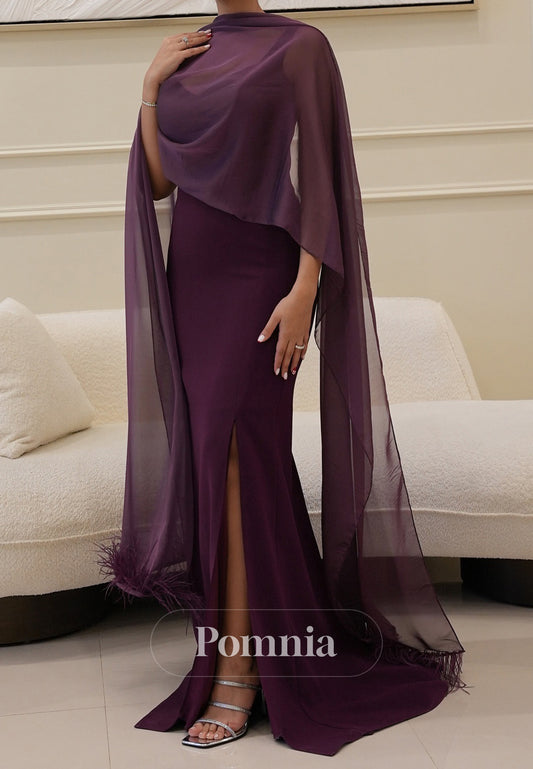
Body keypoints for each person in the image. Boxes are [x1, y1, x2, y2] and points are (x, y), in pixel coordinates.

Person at [97, 0, 467, 756]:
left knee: (241, 456)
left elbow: (321, 179)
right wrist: (150, 86)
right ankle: (257, 651)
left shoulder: (301, 48)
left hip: (264, 273)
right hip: (195, 274)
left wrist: (305, 290)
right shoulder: (188, 51)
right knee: (221, 461)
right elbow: (161, 183)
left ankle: (238, 672)